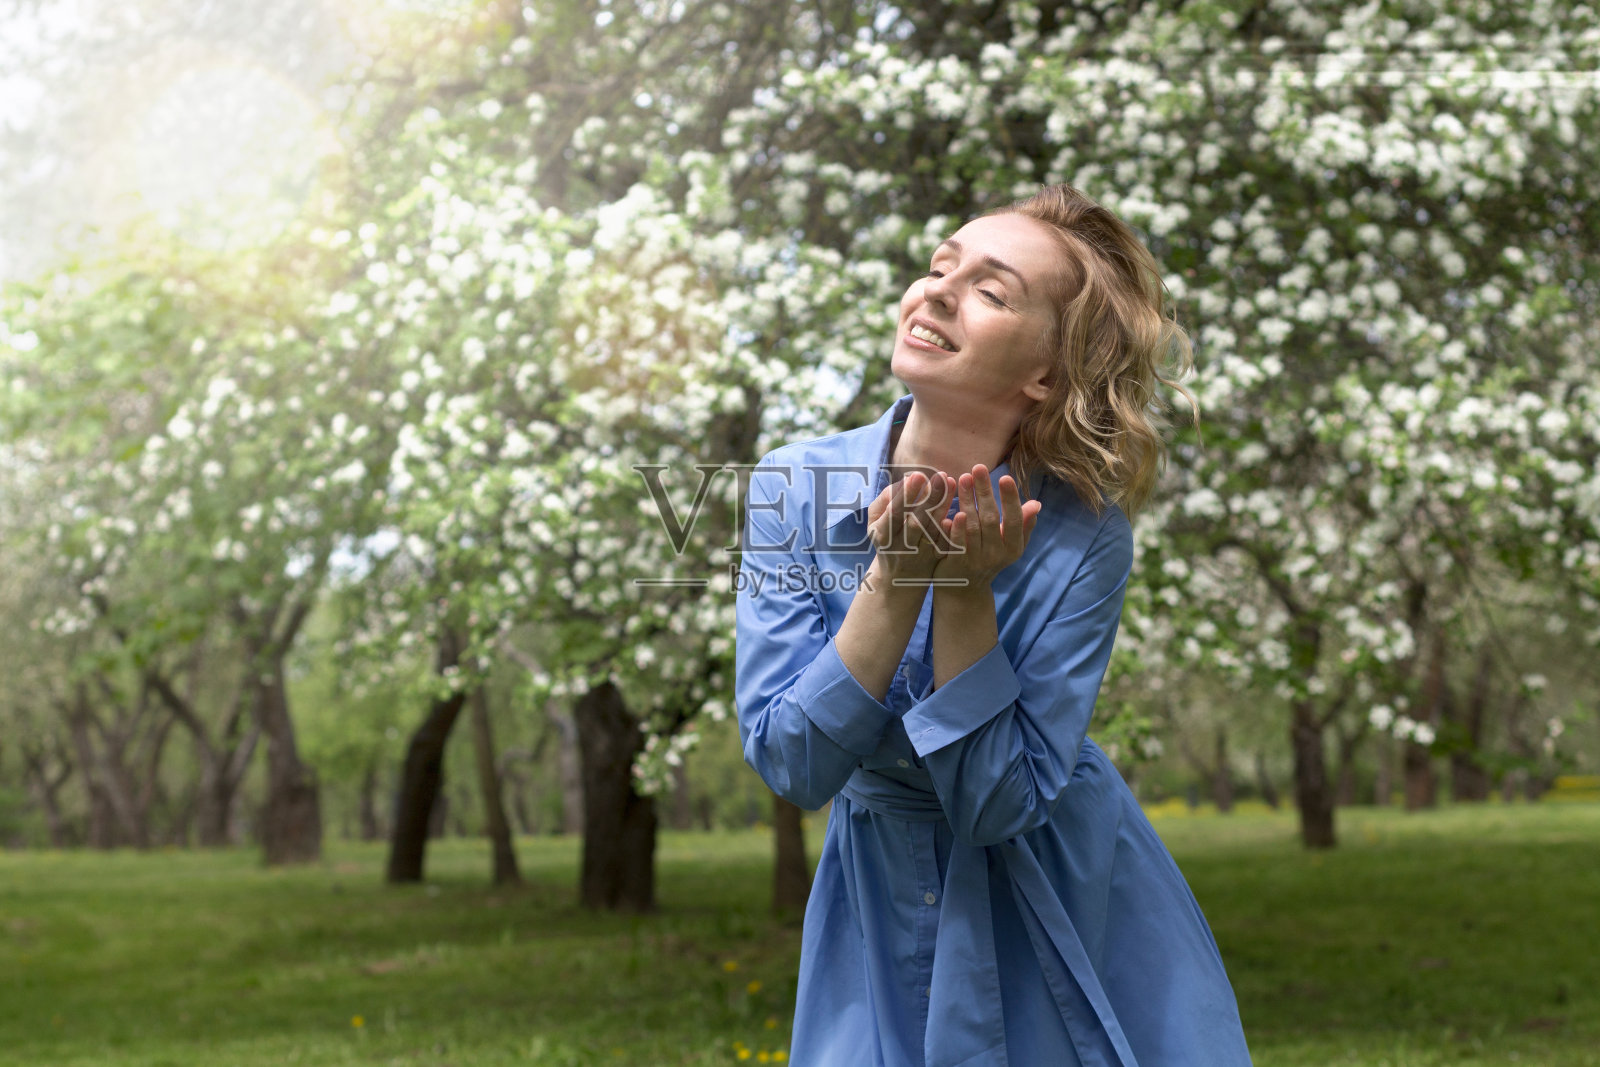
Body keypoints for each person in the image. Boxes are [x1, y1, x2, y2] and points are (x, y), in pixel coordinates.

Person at [734, 183, 1252, 1066]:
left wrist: (967, 593)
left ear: (1044, 372)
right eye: (941, 267)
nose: (936, 290)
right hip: (877, 895)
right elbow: (794, 761)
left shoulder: (1085, 536)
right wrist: (897, 581)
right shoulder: (792, 487)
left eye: (990, 289)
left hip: (1061, 889)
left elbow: (998, 803)